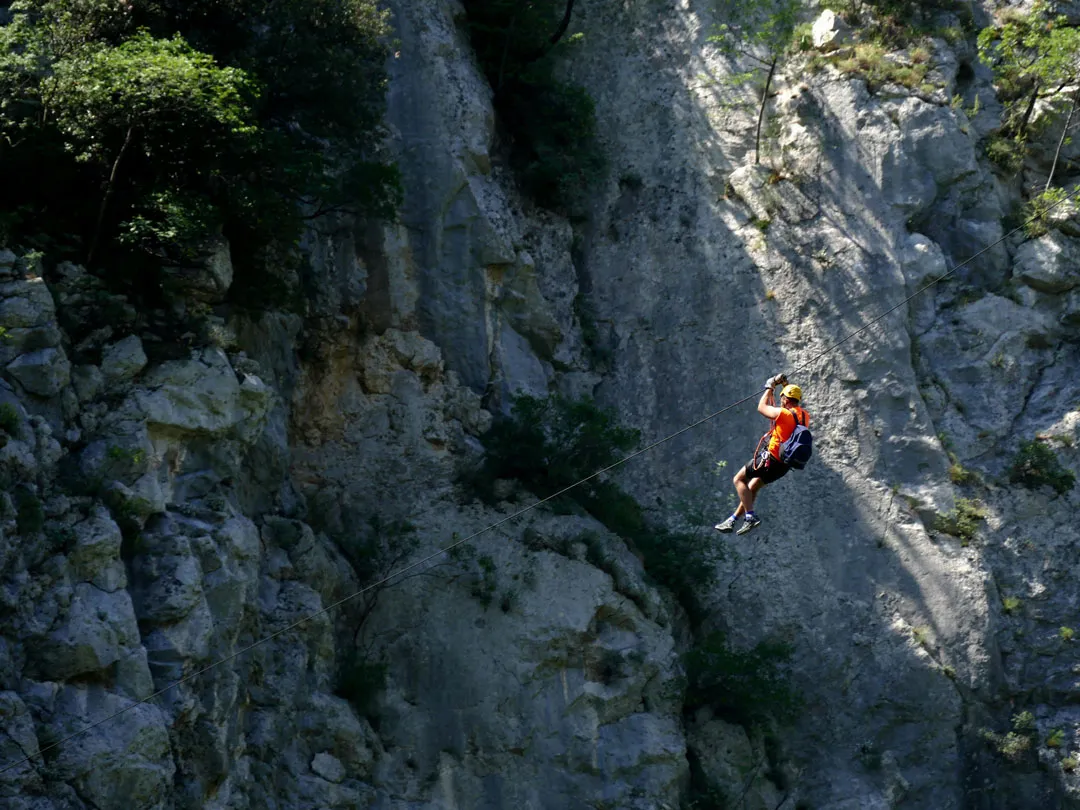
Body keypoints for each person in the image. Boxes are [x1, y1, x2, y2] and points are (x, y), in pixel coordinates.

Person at [714, 374, 810, 536]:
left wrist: (769, 387)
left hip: (771, 459)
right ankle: (733, 519)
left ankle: (750, 516)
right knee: (753, 487)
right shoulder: (804, 416)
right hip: (784, 465)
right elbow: (790, 403)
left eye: (782, 399)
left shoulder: (783, 413)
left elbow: (761, 407)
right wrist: (784, 386)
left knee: (739, 479)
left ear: (785, 399)